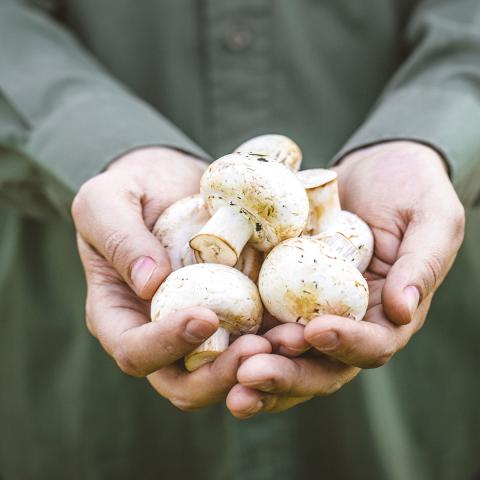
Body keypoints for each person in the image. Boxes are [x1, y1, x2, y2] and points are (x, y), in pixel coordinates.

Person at [0, 0, 478, 478]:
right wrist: (105, 146)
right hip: (69, 324)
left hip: (401, 348)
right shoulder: (205, 218)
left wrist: (427, 137)